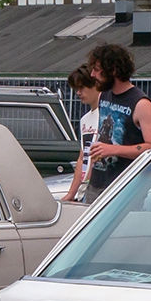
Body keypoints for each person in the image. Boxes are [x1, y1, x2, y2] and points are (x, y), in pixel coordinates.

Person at [85, 42, 151, 199]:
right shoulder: (103, 95)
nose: (92, 75)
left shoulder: (141, 104)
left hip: (124, 188)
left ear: (113, 70)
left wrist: (113, 150)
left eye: (98, 70)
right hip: (97, 183)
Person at [62, 64, 101, 203]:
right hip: (85, 189)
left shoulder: (107, 114)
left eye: (82, 87)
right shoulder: (85, 119)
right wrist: (71, 193)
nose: (78, 93)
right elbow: (82, 157)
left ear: (96, 85)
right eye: (76, 89)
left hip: (100, 186)